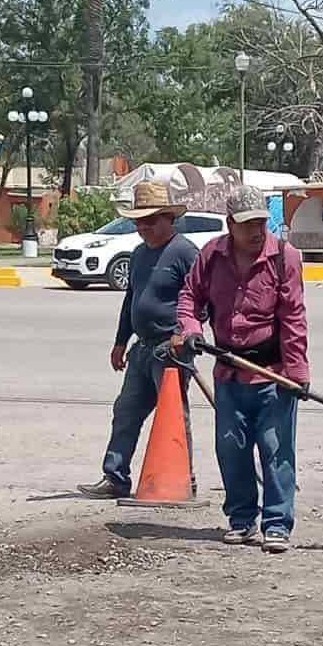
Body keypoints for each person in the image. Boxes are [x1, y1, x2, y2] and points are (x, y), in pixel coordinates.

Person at [172, 185, 309, 553]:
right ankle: (242, 520)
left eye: (262, 223)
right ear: (230, 224)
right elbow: (189, 298)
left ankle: (277, 523)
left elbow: (294, 317)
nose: (256, 231)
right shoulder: (212, 255)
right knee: (231, 449)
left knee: (275, 448)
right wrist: (191, 330)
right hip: (229, 372)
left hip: (273, 373)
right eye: (248, 224)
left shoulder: (285, 257)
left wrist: (297, 372)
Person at [78, 181, 199, 500]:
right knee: (126, 411)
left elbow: (203, 300)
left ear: (168, 219)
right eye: (138, 222)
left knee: (173, 414)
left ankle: (182, 477)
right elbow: (131, 299)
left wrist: (183, 334)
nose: (143, 227)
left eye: (150, 221)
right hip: (142, 349)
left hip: (171, 350)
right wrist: (120, 341)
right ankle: (115, 477)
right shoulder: (139, 254)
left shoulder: (185, 252)